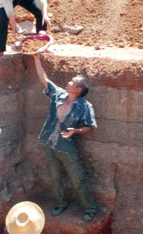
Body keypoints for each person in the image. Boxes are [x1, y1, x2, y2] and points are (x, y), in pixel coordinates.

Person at [33, 53, 98, 222]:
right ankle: (60, 204)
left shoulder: (84, 106)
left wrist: (75, 131)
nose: (68, 82)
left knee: (78, 180)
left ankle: (90, 208)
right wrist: (36, 59)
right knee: (55, 178)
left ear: (78, 90)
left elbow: (91, 127)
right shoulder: (59, 95)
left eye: (72, 82)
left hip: (66, 148)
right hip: (50, 144)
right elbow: (44, 79)